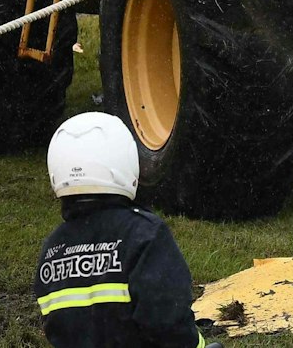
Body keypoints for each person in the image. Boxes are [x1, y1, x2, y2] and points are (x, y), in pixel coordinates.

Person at [36, 113, 202, 348]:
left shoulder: (52, 249)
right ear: (126, 162)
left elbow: (60, 328)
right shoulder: (145, 235)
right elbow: (168, 320)